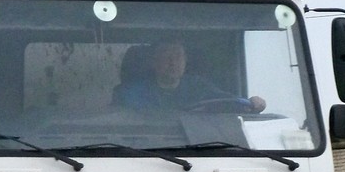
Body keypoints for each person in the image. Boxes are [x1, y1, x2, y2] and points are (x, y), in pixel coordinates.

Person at [113, 42, 266, 112]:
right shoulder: (128, 93)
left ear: (186, 61)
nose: (173, 62)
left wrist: (253, 103)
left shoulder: (200, 87)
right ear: (154, 61)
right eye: (167, 56)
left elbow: (230, 102)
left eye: (178, 56)